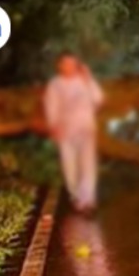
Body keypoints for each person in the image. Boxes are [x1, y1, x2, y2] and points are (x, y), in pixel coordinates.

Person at [43, 52, 104, 214]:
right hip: (66, 130)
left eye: (73, 63)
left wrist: (88, 78)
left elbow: (98, 99)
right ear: (60, 65)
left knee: (88, 165)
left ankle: (87, 200)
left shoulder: (84, 81)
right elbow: (51, 107)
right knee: (70, 165)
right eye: (67, 63)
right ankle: (76, 197)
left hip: (86, 129)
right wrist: (54, 126)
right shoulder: (55, 84)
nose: (70, 66)